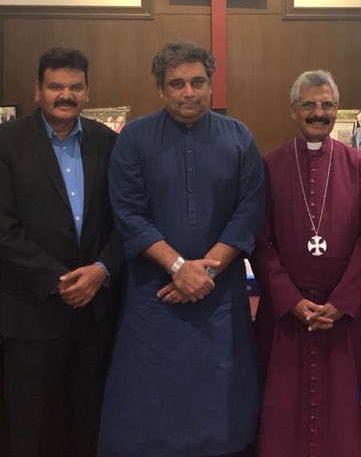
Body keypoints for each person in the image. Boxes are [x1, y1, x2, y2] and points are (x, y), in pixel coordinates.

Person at [98, 40, 265, 457]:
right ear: (160, 88)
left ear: (211, 85)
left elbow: (249, 210)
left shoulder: (239, 137)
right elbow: (128, 213)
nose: (188, 92)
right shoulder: (134, 138)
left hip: (218, 296)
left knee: (221, 408)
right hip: (154, 296)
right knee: (150, 411)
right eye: (177, 84)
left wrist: (204, 272)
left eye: (197, 82)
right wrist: (177, 267)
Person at [0, 47, 121, 457]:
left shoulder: (108, 142)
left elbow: (124, 221)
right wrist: (60, 281)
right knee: (30, 427)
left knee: (87, 422)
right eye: (56, 86)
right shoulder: (5, 141)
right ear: (37, 90)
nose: (66, 95)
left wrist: (101, 269)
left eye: (75, 87)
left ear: (87, 92)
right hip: (33, 311)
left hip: (95, 312)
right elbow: (0, 227)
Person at [252, 70, 361, 457]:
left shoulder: (359, 166)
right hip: (286, 316)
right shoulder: (270, 165)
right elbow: (260, 242)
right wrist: (290, 300)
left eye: (327, 105)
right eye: (309, 104)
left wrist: (342, 302)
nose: (319, 112)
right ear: (294, 110)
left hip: (345, 316)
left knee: (346, 415)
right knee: (284, 412)